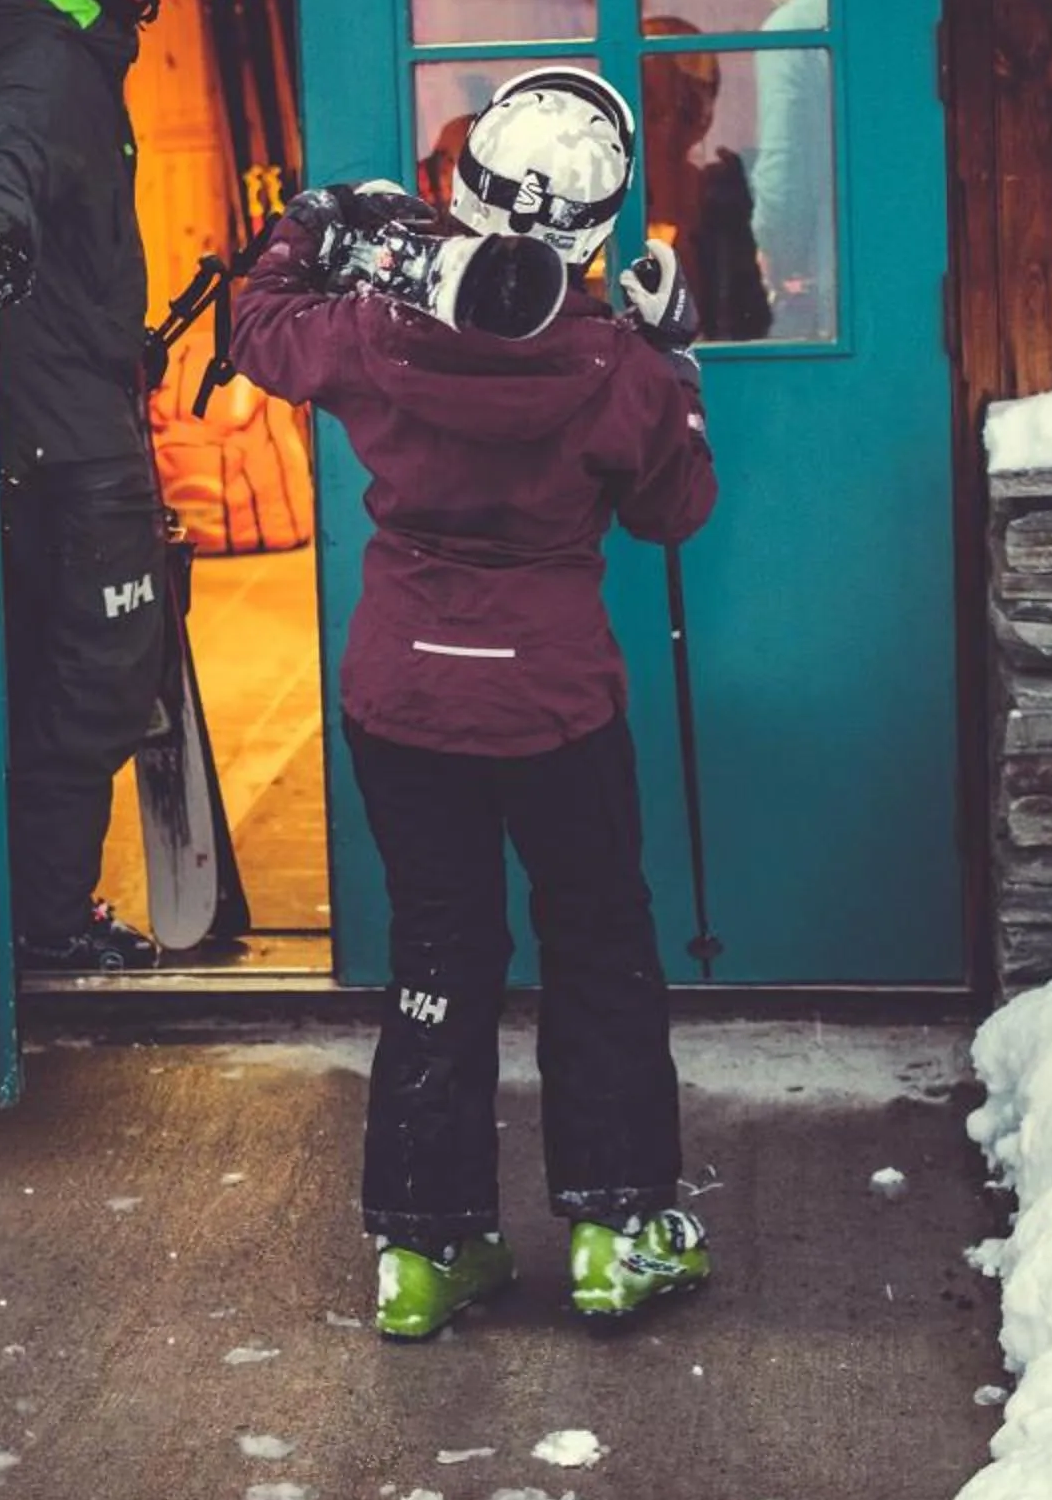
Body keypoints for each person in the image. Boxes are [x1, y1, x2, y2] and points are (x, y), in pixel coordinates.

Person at [228, 65, 718, 1337]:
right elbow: (672, 509)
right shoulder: (617, 367)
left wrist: (314, 225)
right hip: (552, 703)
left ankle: (424, 1250)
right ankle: (614, 1233)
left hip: (401, 696)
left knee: (439, 950)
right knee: (595, 942)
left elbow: (254, 322)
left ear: (464, 188)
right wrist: (675, 359)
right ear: (596, 226)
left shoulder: (364, 332)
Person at [0, 0, 219, 974]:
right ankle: (51, 918)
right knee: (102, 667)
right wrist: (1, 237)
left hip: (62, 391)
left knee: (49, 656)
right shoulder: (45, 55)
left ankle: (30, 903)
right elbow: (8, 159)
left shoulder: (55, 26)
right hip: (64, 422)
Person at [640, 19, 770, 346]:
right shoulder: (603, 194)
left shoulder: (717, 198)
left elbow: (745, 315)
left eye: (686, 110)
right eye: (653, 112)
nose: (667, 130)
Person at [746, 0, 835, 339]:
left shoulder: (789, 27)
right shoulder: (875, 10)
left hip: (834, 286)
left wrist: (773, 250)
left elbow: (782, 170)